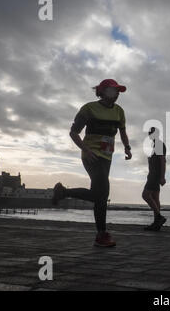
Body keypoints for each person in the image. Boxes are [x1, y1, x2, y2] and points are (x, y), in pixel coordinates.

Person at [52, 79, 132, 247]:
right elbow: (73, 133)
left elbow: (123, 132)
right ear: (102, 91)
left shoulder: (119, 111)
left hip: (107, 156)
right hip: (91, 155)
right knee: (102, 193)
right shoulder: (88, 108)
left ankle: (64, 192)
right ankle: (101, 234)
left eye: (118, 91)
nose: (117, 93)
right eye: (113, 90)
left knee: (99, 195)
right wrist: (86, 150)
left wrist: (127, 147)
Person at [142, 127, 167, 231]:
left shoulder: (159, 145)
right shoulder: (156, 145)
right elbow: (157, 160)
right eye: (150, 133)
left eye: (152, 133)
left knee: (145, 195)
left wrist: (162, 176)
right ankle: (157, 223)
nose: (151, 135)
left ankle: (159, 217)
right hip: (153, 175)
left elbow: (162, 161)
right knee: (155, 198)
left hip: (155, 176)